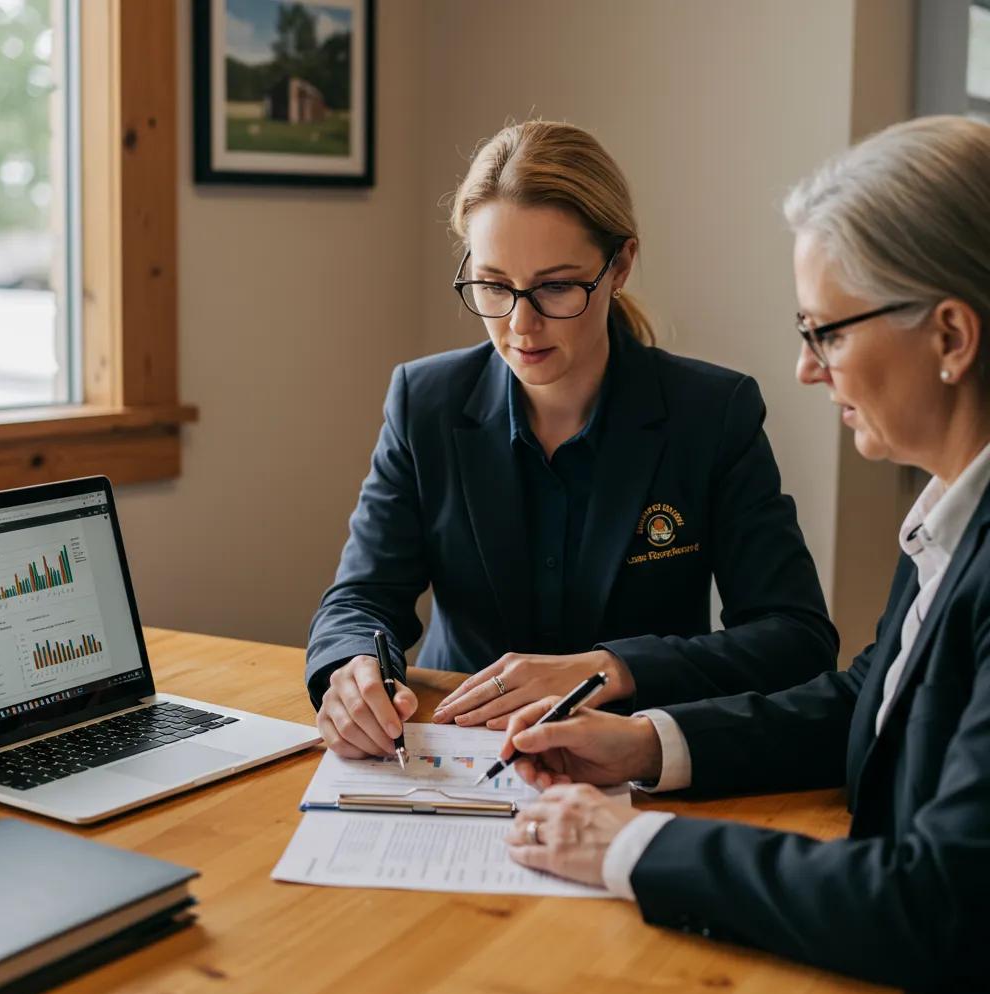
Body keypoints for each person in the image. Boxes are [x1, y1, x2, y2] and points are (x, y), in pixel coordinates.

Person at [500, 115, 990, 994]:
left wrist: (628, 846)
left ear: (952, 338)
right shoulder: (951, 519)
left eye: (827, 332)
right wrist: (646, 745)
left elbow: (939, 902)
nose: (808, 370)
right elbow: (863, 701)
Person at [306, 120, 837, 759]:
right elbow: (362, 597)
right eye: (494, 285)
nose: (520, 325)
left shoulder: (712, 413)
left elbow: (796, 637)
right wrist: (352, 670)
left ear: (621, 266)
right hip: (455, 749)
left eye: (556, 286)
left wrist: (612, 667)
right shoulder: (425, 402)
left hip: (632, 755)